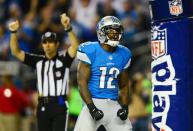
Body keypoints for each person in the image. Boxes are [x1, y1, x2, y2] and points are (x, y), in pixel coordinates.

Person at [8, 13, 79, 131]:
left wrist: (68, 27)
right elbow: (15, 51)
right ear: (42, 45)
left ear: (57, 45)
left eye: (51, 42)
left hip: (60, 105)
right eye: (45, 42)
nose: (47, 45)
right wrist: (13, 33)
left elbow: (75, 46)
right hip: (43, 105)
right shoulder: (38, 60)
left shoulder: (64, 59)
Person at [74, 16, 133, 131]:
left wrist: (125, 107)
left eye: (117, 31)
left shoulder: (124, 53)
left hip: (113, 103)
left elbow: (124, 85)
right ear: (101, 32)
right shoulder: (90, 50)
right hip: (93, 101)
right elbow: (82, 83)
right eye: (111, 31)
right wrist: (92, 108)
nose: (115, 34)